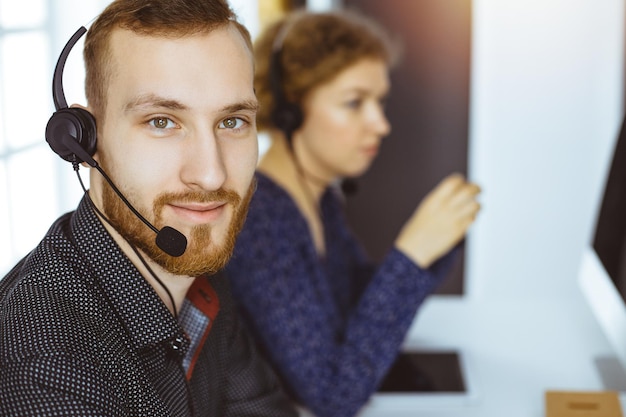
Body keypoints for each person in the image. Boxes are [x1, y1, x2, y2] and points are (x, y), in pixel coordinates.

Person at [0, 1, 298, 416]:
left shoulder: (196, 270)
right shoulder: (47, 367)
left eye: (232, 121)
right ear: (84, 141)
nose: (211, 176)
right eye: (162, 121)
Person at [224, 9, 481, 417]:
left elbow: (355, 301)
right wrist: (411, 254)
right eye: (354, 102)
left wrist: (436, 240)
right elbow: (332, 395)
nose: (380, 124)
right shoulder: (260, 223)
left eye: (379, 102)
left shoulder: (317, 195)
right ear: (292, 109)